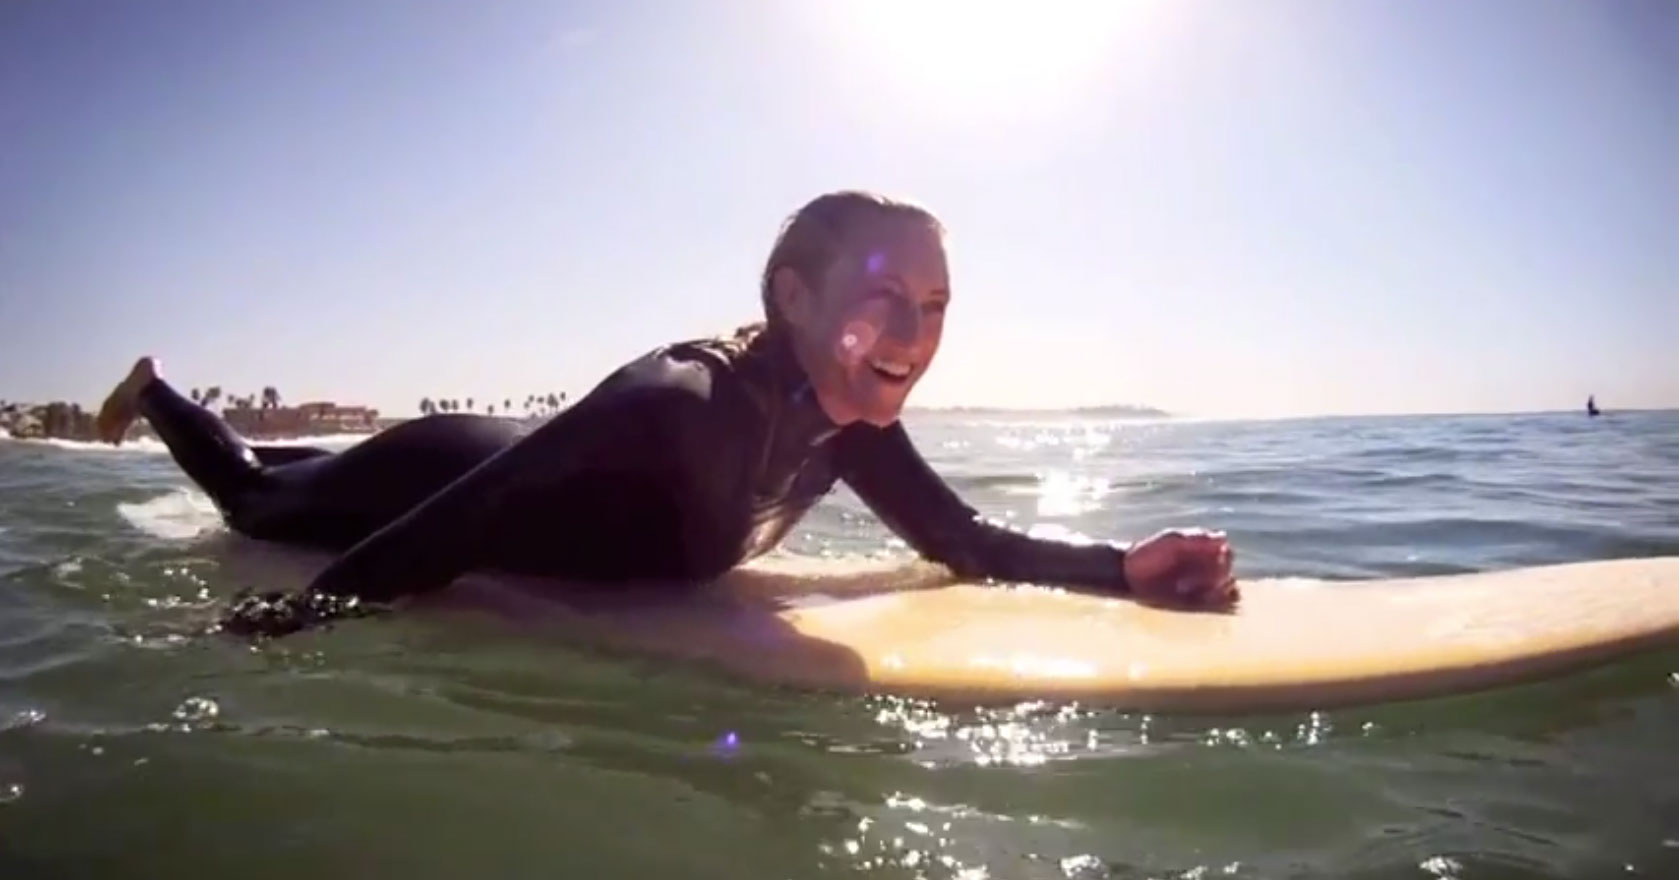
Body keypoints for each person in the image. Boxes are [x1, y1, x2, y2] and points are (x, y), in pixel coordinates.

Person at [95, 190, 1238, 638]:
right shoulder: (677, 403)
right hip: (441, 475)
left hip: (494, 465)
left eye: (934, 304)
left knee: (289, 480)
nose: (912, 334)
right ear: (791, 298)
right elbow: (474, 511)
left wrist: (1117, 569)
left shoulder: (851, 427)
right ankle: (156, 392)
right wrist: (299, 617)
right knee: (255, 496)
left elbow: (962, 543)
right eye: (882, 297)